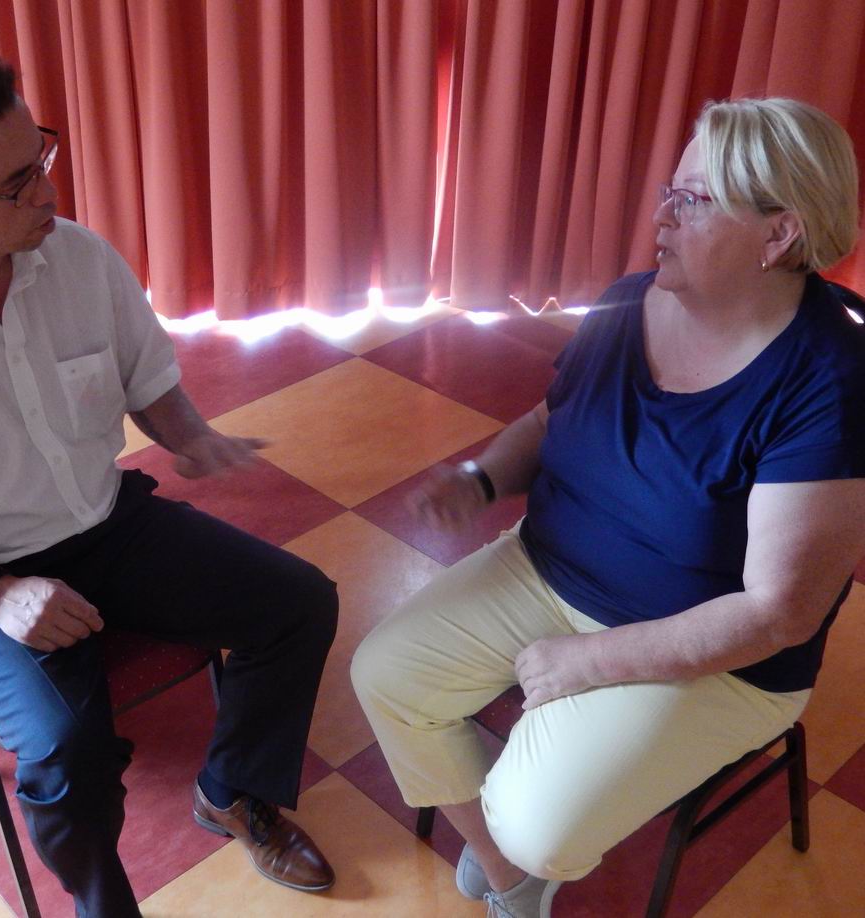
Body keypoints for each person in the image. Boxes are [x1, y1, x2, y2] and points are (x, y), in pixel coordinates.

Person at [0, 43, 339, 917]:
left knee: (299, 602)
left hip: (101, 523)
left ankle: (233, 791)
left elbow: (143, 376)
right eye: (16, 184)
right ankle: (101, 905)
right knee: (66, 754)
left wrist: (190, 436)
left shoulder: (79, 258)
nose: (48, 194)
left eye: (40, 159)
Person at [351, 96, 865, 918]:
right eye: (670, 191)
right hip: (549, 567)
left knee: (538, 824)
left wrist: (589, 662)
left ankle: (521, 855)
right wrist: (481, 479)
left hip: (719, 657)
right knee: (385, 674)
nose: (661, 215)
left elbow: (780, 613)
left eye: (692, 200)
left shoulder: (830, 385)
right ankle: (514, 880)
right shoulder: (631, 301)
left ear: (780, 235)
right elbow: (551, 422)